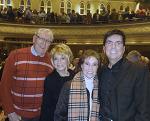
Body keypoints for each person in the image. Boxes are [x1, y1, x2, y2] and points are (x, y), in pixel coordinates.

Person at [0, 28, 54, 121]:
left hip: (40, 115)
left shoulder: (51, 60)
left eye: (48, 41)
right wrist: (10, 112)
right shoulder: (15, 55)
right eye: (42, 39)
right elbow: (4, 86)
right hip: (17, 115)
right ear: (34, 39)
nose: (44, 43)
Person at [98, 29, 150, 121]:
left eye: (118, 43)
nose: (113, 46)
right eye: (109, 43)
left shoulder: (138, 71)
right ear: (104, 48)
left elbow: (144, 109)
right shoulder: (100, 71)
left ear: (124, 49)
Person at [54, 49, 100, 121]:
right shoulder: (69, 85)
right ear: (82, 65)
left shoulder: (101, 85)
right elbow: (60, 114)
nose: (90, 68)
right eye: (87, 64)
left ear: (98, 67)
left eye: (94, 64)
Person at [40, 43, 75, 121]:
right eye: (56, 58)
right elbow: (46, 106)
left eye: (62, 58)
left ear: (68, 59)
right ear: (52, 61)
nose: (59, 62)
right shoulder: (50, 79)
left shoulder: (75, 76)